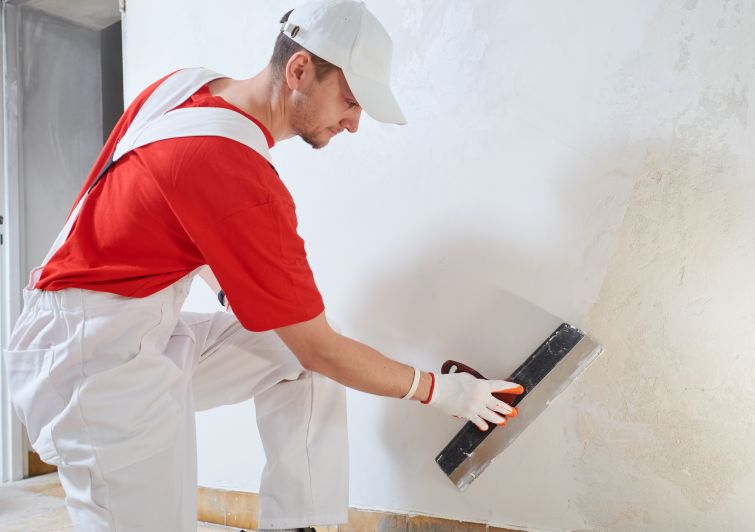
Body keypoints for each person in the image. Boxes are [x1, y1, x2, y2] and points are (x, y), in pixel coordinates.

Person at [3, 1, 523, 531]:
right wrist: (440, 390)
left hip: (130, 324)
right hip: (91, 358)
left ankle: (295, 523)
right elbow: (320, 349)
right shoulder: (237, 175)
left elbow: (168, 212)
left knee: (289, 359)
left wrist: (235, 285)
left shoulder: (185, 89)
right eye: (349, 100)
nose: (354, 123)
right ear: (300, 70)